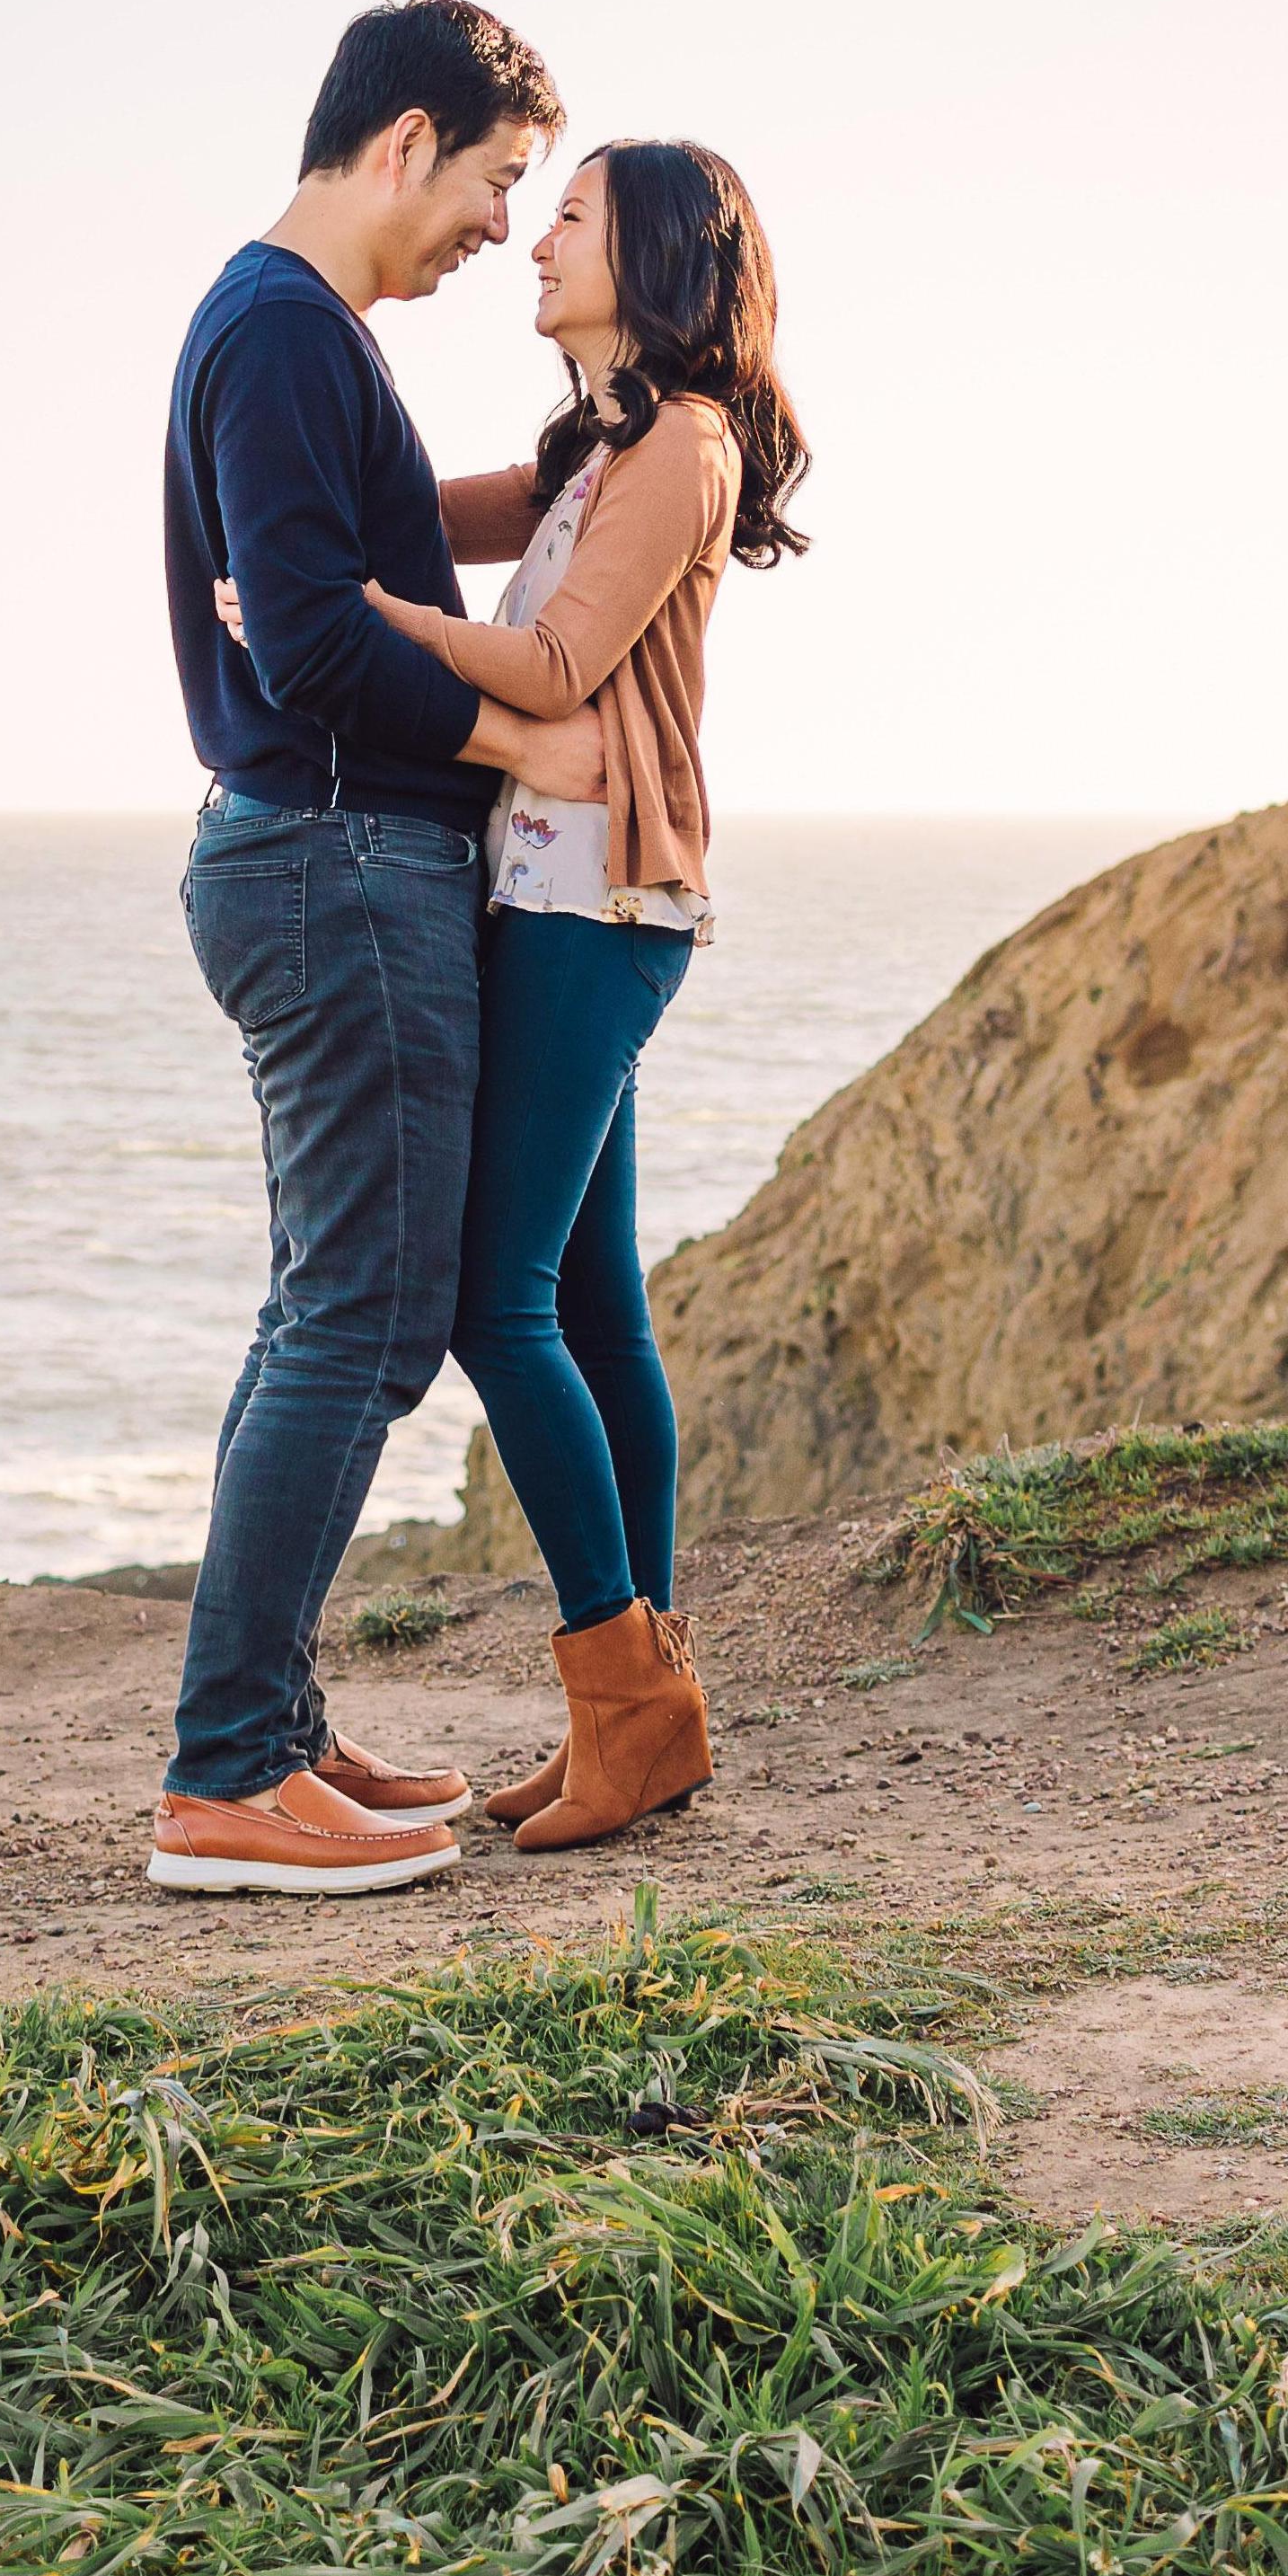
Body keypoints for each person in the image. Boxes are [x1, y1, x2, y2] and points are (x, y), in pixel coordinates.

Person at [148, 0, 609, 1899]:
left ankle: (270, 1733)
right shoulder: (277, 331)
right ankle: (227, 1776)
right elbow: (316, 642)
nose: (503, 226)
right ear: (406, 140)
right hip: (336, 860)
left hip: (324, 856)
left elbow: (349, 575)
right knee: (362, 1313)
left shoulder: (297, 335)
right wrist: (531, 739)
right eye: (499, 180)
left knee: (327, 1309)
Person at [371, 142, 810, 1851]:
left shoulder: (684, 441)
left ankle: (628, 1705)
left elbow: (553, 670)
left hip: (595, 898)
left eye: (570, 212)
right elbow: (421, 508)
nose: (534, 235)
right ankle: (649, 1711)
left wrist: (364, 622)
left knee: (501, 1306)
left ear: (660, 250)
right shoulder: (602, 445)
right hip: (573, 893)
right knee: (596, 1308)